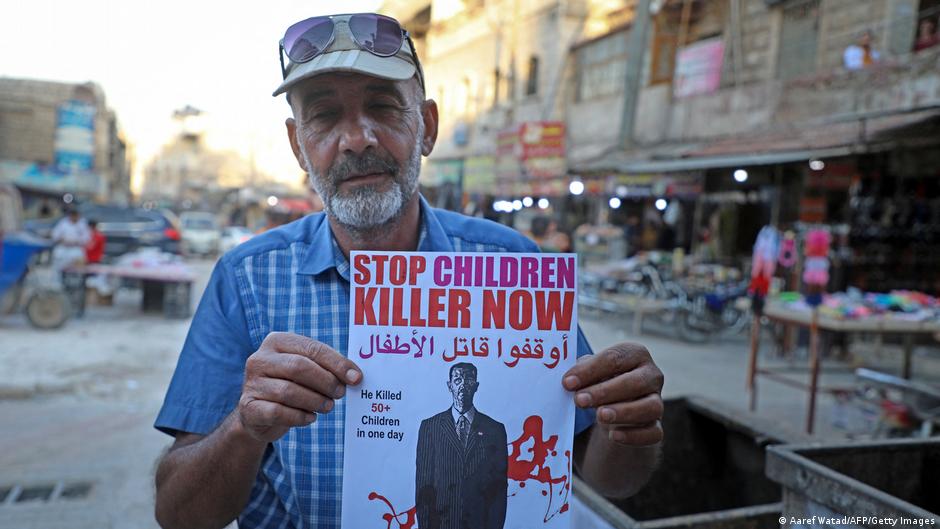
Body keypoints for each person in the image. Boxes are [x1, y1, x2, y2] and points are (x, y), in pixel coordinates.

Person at [154, 13, 664, 529]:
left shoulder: (511, 266)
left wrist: (630, 425)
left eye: (383, 106)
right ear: (297, 146)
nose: (357, 139)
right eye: (325, 117)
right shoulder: (248, 279)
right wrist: (245, 427)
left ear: (428, 128)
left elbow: (606, 481)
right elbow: (178, 515)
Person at [416, 363, 506, 529]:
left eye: (469, 380)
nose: (463, 385)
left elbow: (499, 490)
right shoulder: (430, 427)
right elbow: (424, 487)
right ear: (449, 386)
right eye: (457, 379)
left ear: (476, 386)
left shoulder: (494, 429)